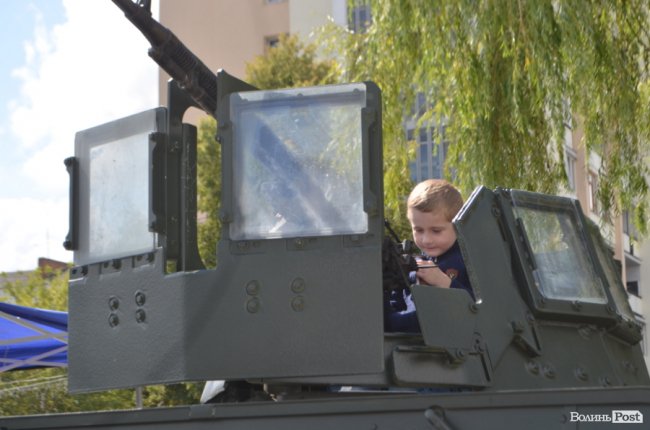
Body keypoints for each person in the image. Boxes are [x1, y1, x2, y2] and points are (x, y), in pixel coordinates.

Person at [385, 179, 474, 333]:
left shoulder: (469, 261)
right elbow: (401, 298)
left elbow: (482, 311)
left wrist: (445, 283)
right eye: (418, 230)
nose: (426, 240)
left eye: (436, 231)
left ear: (457, 226)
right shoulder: (417, 262)